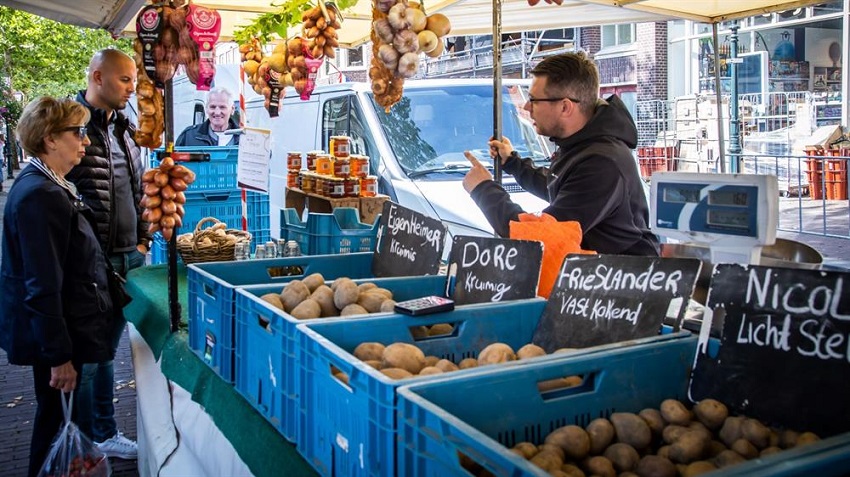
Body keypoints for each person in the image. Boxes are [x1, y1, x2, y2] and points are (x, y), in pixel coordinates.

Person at [0, 96, 114, 477]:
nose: (86, 141)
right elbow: (41, 283)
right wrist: (59, 356)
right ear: (50, 139)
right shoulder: (40, 195)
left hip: (59, 329)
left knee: (54, 419)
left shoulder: (48, 183)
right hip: (55, 336)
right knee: (52, 424)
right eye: (78, 132)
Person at [462, 52, 659, 256]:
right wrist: (513, 163)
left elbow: (537, 237)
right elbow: (560, 187)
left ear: (565, 106)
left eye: (534, 100)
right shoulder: (582, 146)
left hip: (622, 280)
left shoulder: (602, 163)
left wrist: (483, 189)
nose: (527, 107)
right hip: (594, 274)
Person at [66, 48, 147, 460]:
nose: (132, 88)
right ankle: (84, 444)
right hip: (93, 264)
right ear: (97, 77)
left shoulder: (126, 127)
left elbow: (139, 189)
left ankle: (104, 432)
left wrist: (144, 240)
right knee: (91, 356)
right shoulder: (71, 128)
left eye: (133, 80)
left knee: (106, 350)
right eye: (125, 80)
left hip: (129, 257)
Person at [175, 87, 240, 146]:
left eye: (222, 107)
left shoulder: (243, 138)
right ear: (206, 109)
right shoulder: (189, 136)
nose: (217, 112)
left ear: (232, 109)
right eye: (213, 107)